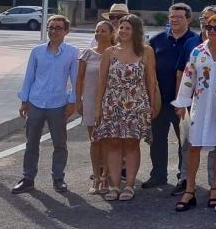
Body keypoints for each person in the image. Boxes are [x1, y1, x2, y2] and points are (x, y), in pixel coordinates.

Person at [171, 13, 216, 211]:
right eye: (208, 27)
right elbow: (188, 78)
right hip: (200, 105)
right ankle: (190, 190)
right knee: (194, 146)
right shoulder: (198, 52)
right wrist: (181, 103)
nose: (211, 31)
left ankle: (215, 187)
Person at [94, 14, 159, 202]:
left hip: (137, 106)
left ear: (136, 31)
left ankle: (129, 186)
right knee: (113, 144)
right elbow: (101, 82)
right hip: (112, 104)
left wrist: (151, 105)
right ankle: (114, 185)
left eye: (127, 28)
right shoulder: (109, 52)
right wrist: (98, 108)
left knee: (131, 144)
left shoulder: (146, 51)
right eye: (121, 27)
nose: (122, 31)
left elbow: (150, 80)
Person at [12, 15, 79, 195]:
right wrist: (24, 100)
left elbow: (75, 79)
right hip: (36, 102)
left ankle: (58, 178)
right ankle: (28, 179)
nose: (54, 31)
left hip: (58, 103)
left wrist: (72, 102)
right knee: (31, 143)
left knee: (60, 143)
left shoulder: (72, 52)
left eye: (58, 28)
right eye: (51, 27)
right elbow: (29, 77)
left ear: (66, 31)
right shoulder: (37, 51)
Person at [143, 3, 201, 193]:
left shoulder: (195, 41)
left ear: (188, 19)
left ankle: (183, 178)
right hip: (160, 100)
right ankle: (158, 174)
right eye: (172, 17)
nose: (174, 20)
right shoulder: (157, 40)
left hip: (184, 102)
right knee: (157, 140)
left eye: (179, 17)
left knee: (185, 142)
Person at [76, 20, 116, 195]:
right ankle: (96, 176)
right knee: (95, 140)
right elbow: (80, 79)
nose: (99, 34)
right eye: (97, 30)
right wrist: (78, 100)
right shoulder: (87, 54)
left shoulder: (116, 53)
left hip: (111, 102)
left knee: (108, 141)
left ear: (111, 33)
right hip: (91, 101)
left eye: (103, 31)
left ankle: (107, 177)